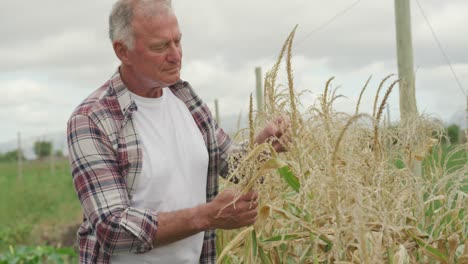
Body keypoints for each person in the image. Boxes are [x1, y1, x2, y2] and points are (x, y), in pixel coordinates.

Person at [67, 0, 289, 263]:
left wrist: (261, 149)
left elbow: (234, 165)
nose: (175, 55)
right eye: (160, 46)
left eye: (177, 41)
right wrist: (206, 216)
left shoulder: (185, 100)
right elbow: (111, 228)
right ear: (122, 51)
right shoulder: (92, 120)